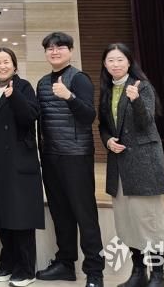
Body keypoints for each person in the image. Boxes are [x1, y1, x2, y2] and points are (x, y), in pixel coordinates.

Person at [35, 32, 105, 287]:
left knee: (84, 214)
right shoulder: (42, 82)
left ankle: (95, 272)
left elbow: (89, 116)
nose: (54, 52)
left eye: (60, 47)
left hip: (76, 156)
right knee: (60, 213)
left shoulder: (79, 78)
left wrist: (69, 96)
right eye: (50, 48)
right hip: (51, 156)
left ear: (71, 51)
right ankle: (65, 264)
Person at [99, 43, 164, 287]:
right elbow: (103, 125)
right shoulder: (107, 90)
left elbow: (147, 122)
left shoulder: (142, 86)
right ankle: (139, 273)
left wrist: (137, 100)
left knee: (150, 222)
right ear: (105, 64)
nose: (115, 64)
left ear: (129, 62)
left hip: (143, 164)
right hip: (119, 166)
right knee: (127, 222)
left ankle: (158, 275)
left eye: (120, 59)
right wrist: (108, 141)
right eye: (110, 60)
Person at [0, 47, 44, 287]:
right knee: (2, 216)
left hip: (19, 163)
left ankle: (26, 269)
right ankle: (7, 263)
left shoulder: (23, 87)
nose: (2, 66)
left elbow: (30, 117)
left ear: (15, 66)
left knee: (21, 217)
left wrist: (14, 96)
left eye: (7, 61)